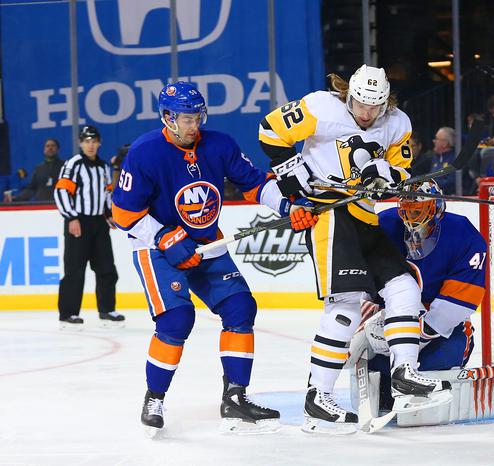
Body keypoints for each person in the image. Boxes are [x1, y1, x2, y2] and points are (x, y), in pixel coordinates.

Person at [111, 81, 313, 436]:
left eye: (198, 117)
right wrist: (161, 236)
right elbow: (124, 212)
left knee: (240, 309)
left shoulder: (219, 144)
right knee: (176, 319)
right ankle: (154, 398)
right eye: (187, 119)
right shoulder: (145, 152)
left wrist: (288, 205)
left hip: (206, 244)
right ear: (168, 118)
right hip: (156, 248)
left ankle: (235, 397)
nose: (194, 125)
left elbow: (253, 183)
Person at [258, 64, 452, 434]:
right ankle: (318, 397)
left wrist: (384, 179)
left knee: (404, 289)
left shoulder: (398, 123)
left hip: (364, 215)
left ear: (385, 103)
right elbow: (269, 130)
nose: (365, 113)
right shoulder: (319, 107)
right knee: (345, 304)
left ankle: (404, 374)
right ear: (348, 96)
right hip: (328, 213)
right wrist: (292, 174)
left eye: (373, 107)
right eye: (359, 104)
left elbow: (401, 168)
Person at [354, 180, 485, 411]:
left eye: (419, 210)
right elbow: (363, 279)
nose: (412, 218)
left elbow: (458, 305)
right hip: (392, 320)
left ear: (436, 206)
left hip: (442, 330)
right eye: (407, 210)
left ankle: (410, 380)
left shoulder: (463, 233)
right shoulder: (385, 224)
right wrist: (366, 317)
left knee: (436, 364)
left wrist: (417, 335)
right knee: (367, 358)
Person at [54, 125, 123, 328]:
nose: (90, 145)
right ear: (80, 143)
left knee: (106, 268)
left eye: (94, 141)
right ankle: (68, 313)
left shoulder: (103, 167)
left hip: (98, 223)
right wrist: (71, 218)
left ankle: (107, 310)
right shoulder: (73, 164)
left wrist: (109, 214)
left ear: (99, 143)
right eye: (86, 141)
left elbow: (106, 193)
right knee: (74, 269)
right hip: (79, 221)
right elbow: (61, 192)